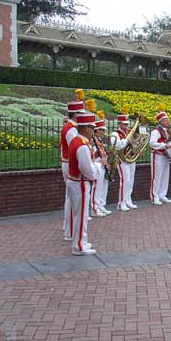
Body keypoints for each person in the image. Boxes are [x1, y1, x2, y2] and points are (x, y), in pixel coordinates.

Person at [67, 112, 102, 255]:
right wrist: (100, 164)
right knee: (81, 216)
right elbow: (89, 172)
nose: (93, 131)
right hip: (80, 182)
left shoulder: (78, 141)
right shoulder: (81, 146)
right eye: (91, 128)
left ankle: (82, 241)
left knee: (79, 215)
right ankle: (79, 246)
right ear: (86, 128)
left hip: (76, 181)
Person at [60, 90, 86, 241]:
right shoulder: (71, 129)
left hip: (67, 162)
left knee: (70, 198)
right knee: (71, 197)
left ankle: (68, 227)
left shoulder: (71, 127)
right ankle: (69, 229)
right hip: (69, 163)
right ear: (75, 115)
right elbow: (74, 149)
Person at [111, 108, 137, 211]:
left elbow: (135, 144)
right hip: (122, 159)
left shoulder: (129, 132)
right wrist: (127, 139)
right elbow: (117, 145)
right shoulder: (115, 134)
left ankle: (128, 200)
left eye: (127, 124)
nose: (126, 126)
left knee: (131, 181)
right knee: (125, 180)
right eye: (124, 124)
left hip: (131, 158)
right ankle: (121, 203)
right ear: (119, 124)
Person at [149, 105, 171, 205]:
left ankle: (162, 195)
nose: (168, 121)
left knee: (165, 176)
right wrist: (163, 145)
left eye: (168, 120)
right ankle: (155, 197)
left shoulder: (167, 131)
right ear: (161, 121)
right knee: (157, 176)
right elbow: (152, 143)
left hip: (165, 156)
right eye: (166, 120)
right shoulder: (156, 131)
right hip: (157, 155)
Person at [90, 112, 111, 217]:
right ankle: (94, 208)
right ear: (96, 130)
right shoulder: (93, 141)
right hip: (97, 166)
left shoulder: (99, 140)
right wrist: (99, 162)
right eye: (101, 129)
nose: (103, 131)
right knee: (96, 188)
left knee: (103, 187)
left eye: (104, 129)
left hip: (103, 166)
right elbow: (92, 156)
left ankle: (101, 205)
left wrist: (107, 161)